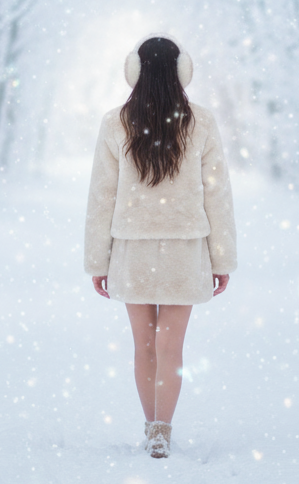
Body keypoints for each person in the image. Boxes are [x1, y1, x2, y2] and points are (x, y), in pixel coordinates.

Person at [84, 35, 237, 459]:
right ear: (182, 71)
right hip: (184, 249)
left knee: (144, 346)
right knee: (171, 347)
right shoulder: (201, 122)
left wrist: (98, 260)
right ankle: (162, 432)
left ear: (133, 71)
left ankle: (150, 427)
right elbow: (217, 193)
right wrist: (222, 258)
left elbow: (101, 196)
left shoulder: (115, 123)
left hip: (132, 248)